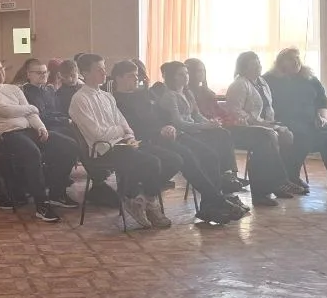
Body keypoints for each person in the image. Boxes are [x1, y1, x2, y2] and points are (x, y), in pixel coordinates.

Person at [110, 60, 243, 225]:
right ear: (119, 78)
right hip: (144, 140)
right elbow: (132, 126)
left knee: (209, 155)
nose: (137, 79)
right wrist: (160, 130)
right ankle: (216, 201)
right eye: (131, 76)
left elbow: (160, 116)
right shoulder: (115, 100)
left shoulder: (143, 94)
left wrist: (168, 126)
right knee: (185, 157)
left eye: (137, 75)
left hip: (162, 136)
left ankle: (211, 205)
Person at [69, 55, 171, 229]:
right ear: (85, 73)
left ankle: (139, 200)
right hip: (103, 149)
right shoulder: (80, 99)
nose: (104, 73)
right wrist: (120, 131)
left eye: (104, 68)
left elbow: (123, 122)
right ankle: (141, 201)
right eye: (98, 70)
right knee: (151, 162)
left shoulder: (107, 96)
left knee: (165, 158)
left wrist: (129, 135)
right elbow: (97, 134)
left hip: (122, 144)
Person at [0, 57, 79, 223]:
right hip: (5, 136)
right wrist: (31, 108)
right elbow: (6, 111)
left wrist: (41, 127)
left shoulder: (13, 89)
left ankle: (56, 192)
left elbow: (30, 114)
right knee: (33, 153)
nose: (0, 73)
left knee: (69, 145)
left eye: (1, 69)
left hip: (28, 130)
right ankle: (42, 205)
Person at [221, 53, 302, 206]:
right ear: (244, 68)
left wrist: (274, 125)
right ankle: (266, 189)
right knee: (265, 140)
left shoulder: (262, 82)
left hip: (262, 125)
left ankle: (278, 183)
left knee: (287, 134)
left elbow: (268, 108)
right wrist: (264, 125)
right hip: (239, 128)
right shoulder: (239, 84)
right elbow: (235, 112)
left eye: (258, 62)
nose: (258, 66)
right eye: (253, 64)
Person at [265, 48, 327, 190]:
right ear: (281, 62)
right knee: (302, 136)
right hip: (285, 121)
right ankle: (292, 177)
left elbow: (321, 102)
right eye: (291, 59)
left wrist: (322, 118)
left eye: (297, 58)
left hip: (311, 121)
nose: (296, 62)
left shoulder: (310, 79)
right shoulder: (270, 80)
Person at [154, 62, 245, 188]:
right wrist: (204, 126)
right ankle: (220, 180)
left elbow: (196, 115)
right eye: (181, 74)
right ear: (172, 77)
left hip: (195, 128)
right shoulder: (170, 96)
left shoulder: (188, 93)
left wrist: (210, 123)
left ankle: (227, 173)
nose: (186, 76)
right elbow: (179, 123)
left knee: (223, 133)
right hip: (184, 132)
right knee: (212, 150)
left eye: (186, 73)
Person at [17, 59, 75, 135]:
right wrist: (65, 121)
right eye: (39, 73)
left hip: (59, 125)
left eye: (45, 72)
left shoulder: (50, 90)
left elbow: (58, 110)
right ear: (28, 74)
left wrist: (69, 119)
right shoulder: (23, 92)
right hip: (42, 129)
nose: (43, 75)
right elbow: (40, 116)